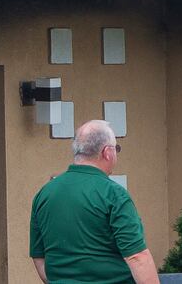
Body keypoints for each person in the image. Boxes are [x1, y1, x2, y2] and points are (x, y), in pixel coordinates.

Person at [29, 119, 159, 284]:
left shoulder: (44, 194)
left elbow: (39, 256)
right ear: (107, 152)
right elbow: (137, 257)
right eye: (116, 149)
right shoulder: (114, 194)